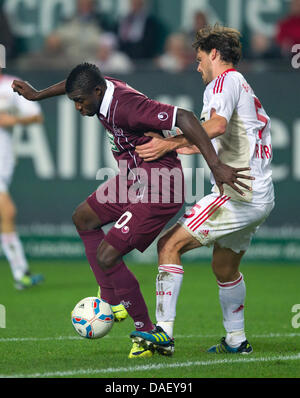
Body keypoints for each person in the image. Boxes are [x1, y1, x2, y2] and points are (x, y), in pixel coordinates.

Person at [12, 62, 252, 358]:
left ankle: (151, 333)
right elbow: (75, 82)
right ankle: (112, 301)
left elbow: (186, 117)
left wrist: (215, 165)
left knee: (108, 255)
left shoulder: (127, 106)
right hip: (133, 178)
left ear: (97, 91)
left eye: (80, 101)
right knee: (84, 218)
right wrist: (37, 95)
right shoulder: (98, 87)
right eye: (74, 100)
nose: (77, 106)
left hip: (161, 187)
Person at [134, 24, 274, 356]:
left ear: (214, 54)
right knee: (224, 268)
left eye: (199, 59)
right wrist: (177, 145)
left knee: (168, 244)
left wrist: (169, 143)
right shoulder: (240, 85)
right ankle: (237, 340)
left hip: (238, 193)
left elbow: (216, 126)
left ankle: (163, 333)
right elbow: (209, 136)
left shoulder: (225, 81)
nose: (197, 67)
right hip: (259, 194)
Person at [0, 69, 44, 289]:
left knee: (6, 216)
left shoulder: (11, 85)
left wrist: (12, 119)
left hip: (4, 169)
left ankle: (21, 273)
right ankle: (21, 273)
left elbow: (36, 116)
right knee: (8, 212)